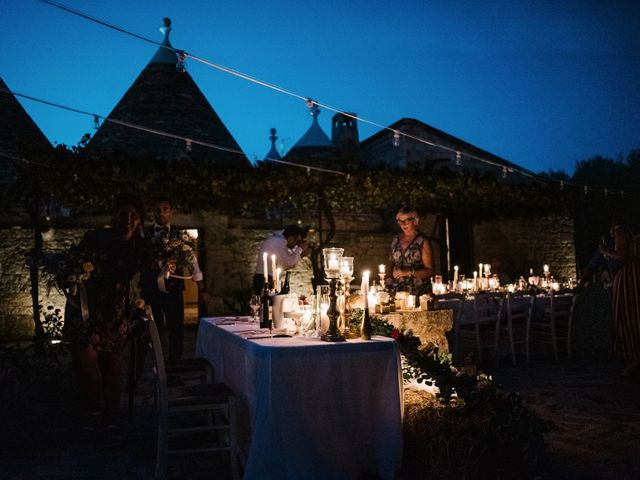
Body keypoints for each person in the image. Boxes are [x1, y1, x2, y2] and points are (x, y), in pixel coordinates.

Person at [63, 195, 150, 433]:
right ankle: (91, 411)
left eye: (134, 216)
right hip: (88, 310)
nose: (128, 220)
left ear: (140, 220)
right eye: (124, 214)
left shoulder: (141, 247)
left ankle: (111, 416)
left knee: (112, 365)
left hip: (116, 312)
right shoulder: (96, 237)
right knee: (85, 362)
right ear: (116, 216)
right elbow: (73, 264)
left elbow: (151, 274)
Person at [140, 198, 208, 361]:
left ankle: (175, 365)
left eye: (165, 209)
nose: (162, 213)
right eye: (158, 209)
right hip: (151, 290)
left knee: (176, 330)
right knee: (152, 330)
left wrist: (202, 289)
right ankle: (156, 365)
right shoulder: (143, 233)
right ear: (153, 212)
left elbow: (193, 263)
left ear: (171, 212)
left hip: (174, 290)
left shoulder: (180, 235)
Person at [600, 221, 640, 377]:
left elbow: (621, 255)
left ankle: (634, 358)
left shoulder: (620, 231)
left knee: (626, 318)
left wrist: (605, 250)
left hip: (629, 280)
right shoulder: (634, 233)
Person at [385, 206, 434, 294]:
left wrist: (408, 272)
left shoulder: (423, 241)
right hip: (399, 291)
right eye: (400, 221)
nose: (404, 224)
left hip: (419, 291)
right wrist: (388, 276)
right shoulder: (395, 240)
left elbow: (429, 271)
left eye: (407, 221)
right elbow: (391, 261)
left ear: (415, 221)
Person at [253, 225, 310, 294]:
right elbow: (289, 262)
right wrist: (300, 249)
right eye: (297, 241)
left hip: (266, 278)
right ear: (291, 238)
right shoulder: (277, 242)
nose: (296, 245)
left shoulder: (278, 240)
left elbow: (287, 262)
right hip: (264, 280)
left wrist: (300, 254)